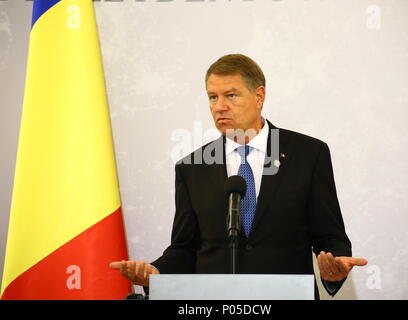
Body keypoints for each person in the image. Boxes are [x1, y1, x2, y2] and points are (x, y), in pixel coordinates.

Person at [110, 54, 367, 299]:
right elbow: (185, 248)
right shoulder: (191, 167)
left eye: (231, 95)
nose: (219, 107)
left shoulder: (308, 154)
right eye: (212, 97)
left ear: (259, 96)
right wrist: (156, 272)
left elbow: (329, 235)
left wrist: (335, 265)